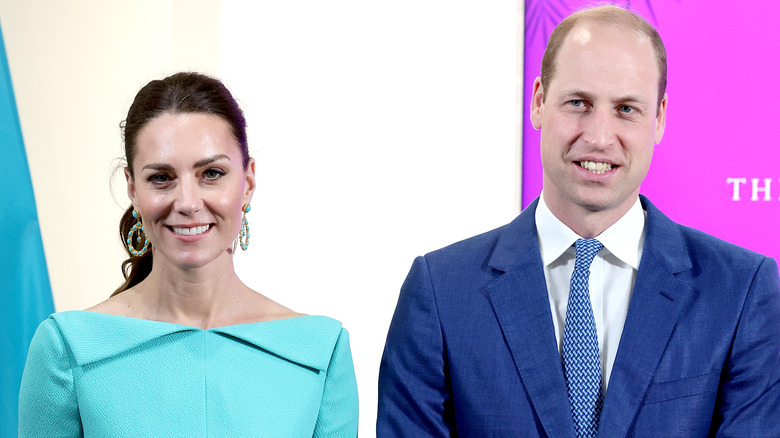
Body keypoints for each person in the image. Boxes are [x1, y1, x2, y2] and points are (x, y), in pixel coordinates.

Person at [377, 5, 780, 437]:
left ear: (659, 117)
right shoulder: (440, 292)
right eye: (578, 103)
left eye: (626, 108)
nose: (599, 136)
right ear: (538, 102)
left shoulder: (742, 291)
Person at [19, 72, 359, 437]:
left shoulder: (321, 351)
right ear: (132, 189)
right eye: (161, 177)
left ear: (247, 182)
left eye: (211, 173)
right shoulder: (65, 348)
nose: (187, 203)